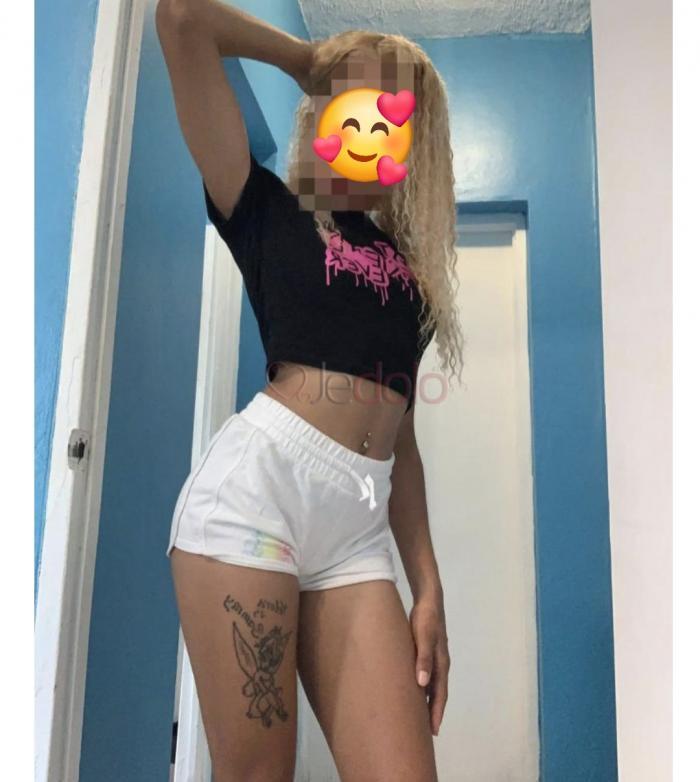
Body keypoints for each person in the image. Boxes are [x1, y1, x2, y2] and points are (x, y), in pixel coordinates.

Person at [156, 1, 464, 780]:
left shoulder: (412, 280)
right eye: (355, 110)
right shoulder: (264, 206)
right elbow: (182, 18)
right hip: (257, 500)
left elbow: (401, 444)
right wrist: (305, 60)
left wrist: (428, 589)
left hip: (356, 532)